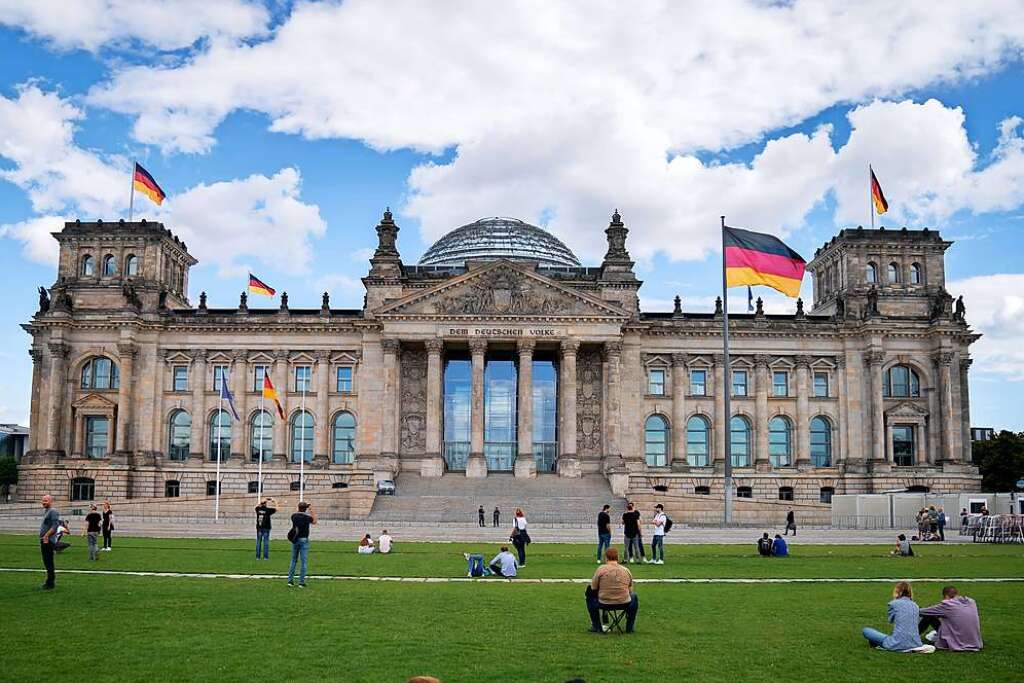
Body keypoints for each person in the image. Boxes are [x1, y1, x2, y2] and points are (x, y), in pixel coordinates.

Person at [861, 581, 929, 652]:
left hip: (896, 643)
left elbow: (891, 620)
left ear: (897, 591)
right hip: (916, 644)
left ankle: (879, 643)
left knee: (866, 630)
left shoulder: (893, 604)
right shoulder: (915, 605)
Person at [586, 547, 639, 634]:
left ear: (606, 557)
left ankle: (596, 626)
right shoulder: (626, 570)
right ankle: (630, 627)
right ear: (618, 557)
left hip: (604, 603)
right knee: (634, 596)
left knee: (589, 596)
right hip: (624, 603)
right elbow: (630, 590)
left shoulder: (601, 570)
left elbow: (593, 588)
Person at [919, 586, 983, 651]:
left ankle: (913, 638)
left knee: (928, 616)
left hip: (957, 641)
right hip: (974, 642)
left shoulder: (947, 605)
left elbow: (921, 612)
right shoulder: (971, 602)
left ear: (945, 595)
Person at [287, 501, 316, 587]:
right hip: (303, 539)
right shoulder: (306, 517)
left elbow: (296, 513)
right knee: (303, 562)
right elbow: (314, 521)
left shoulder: (294, 516)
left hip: (295, 540)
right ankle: (301, 582)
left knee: (293, 560)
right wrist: (312, 510)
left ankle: (290, 581)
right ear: (305, 509)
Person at [39, 494, 59, 590]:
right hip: (44, 540)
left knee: (48, 562)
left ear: (51, 501)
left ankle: (50, 583)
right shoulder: (47, 511)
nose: (44, 502)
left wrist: (46, 535)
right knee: (46, 562)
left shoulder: (53, 511)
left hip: (48, 541)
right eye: (43, 500)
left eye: (46, 500)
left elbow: (55, 526)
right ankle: (49, 581)